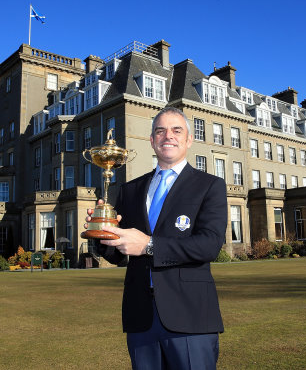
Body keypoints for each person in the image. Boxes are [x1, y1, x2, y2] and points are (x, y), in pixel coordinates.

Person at [86, 107, 227, 370]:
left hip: (190, 316)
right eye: (160, 131)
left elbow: (209, 245)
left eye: (176, 130)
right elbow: (117, 255)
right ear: (152, 140)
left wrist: (149, 245)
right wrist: (102, 234)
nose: (168, 136)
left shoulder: (210, 185)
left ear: (188, 139)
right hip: (141, 317)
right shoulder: (130, 189)